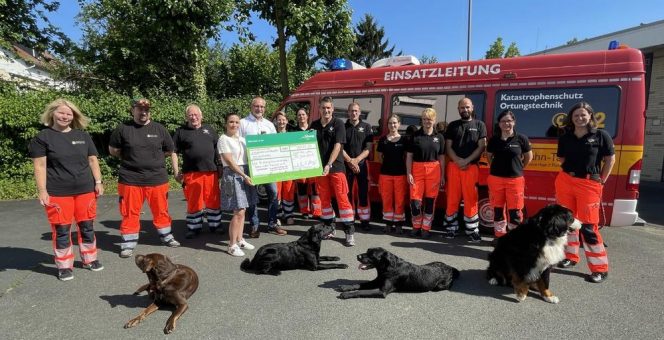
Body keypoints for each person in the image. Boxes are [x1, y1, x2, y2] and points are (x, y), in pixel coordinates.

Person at [29, 99, 104, 281]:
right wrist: (42, 190)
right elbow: (40, 166)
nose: (65, 116)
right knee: (62, 230)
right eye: (62, 113)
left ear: (74, 116)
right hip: (58, 192)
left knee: (86, 226)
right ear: (53, 113)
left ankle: (90, 259)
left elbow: (93, 160)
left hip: (85, 190)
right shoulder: (43, 137)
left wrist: (98, 182)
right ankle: (64, 266)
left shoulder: (83, 136)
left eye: (69, 114)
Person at [109, 98, 180, 258]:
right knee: (129, 212)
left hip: (157, 179)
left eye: (146, 109)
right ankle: (128, 243)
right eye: (140, 109)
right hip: (130, 179)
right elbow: (113, 150)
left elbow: (169, 150)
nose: (143, 112)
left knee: (161, 210)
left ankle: (166, 237)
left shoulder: (159, 129)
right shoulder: (123, 129)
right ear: (132, 110)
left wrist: (153, 158)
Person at [555, 102, 614, 283]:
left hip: (589, 184)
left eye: (583, 115)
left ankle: (599, 269)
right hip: (566, 181)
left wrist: (601, 180)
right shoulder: (566, 136)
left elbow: (609, 159)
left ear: (590, 116)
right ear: (571, 119)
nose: (580, 118)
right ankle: (570, 257)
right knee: (568, 222)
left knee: (588, 227)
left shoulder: (601, 135)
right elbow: (561, 158)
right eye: (576, 116)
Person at [171, 104, 222, 239]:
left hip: (211, 172)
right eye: (191, 115)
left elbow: (218, 149)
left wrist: (221, 167)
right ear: (187, 117)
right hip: (191, 173)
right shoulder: (181, 132)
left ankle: (215, 225)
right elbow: (173, 152)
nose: (194, 117)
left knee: (213, 200)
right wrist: (176, 171)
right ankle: (194, 228)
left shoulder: (209, 129)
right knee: (194, 201)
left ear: (201, 116)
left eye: (196, 115)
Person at [311, 96, 356, 246]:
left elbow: (338, 146)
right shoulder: (314, 125)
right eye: (323, 108)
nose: (326, 110)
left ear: (333, 109)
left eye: (328, 108)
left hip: (335, 168)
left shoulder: (338, 124)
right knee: (324, 200)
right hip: (320, 169)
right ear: (319, 109)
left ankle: (349, 232)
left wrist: (329, 164)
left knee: (343, 200)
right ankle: (329, 228)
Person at [239, 97, 286, 238]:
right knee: (252, 196)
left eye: (262, 107)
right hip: (250, 165)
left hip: (267, 165)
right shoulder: (242, 123)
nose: (259, 109)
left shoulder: (269, 125)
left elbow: (275, 144)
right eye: (256, 106)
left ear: (265, 108)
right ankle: (254, 225)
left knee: (273, 193)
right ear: (251, 107)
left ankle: (272, 224)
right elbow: (238, 144)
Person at [443, 97, 487, 242]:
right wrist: (457, 161)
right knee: (452, 198)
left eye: (467, 107)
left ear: (472, 107)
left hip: (472, 167)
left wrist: (466, 161)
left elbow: (482, 146)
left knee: (471, 199)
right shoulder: (453, 126)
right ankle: (450, 229)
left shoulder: (480, 125)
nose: (465, 110)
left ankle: (472, 231)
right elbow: (448, 147)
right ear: (458, 109)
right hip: (454, 167)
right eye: (462, 107)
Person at [486, 110, 533, 240]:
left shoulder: (521, 138)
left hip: (515, 180)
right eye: (503, 121)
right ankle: (499, 236)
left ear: (514, 122)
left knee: (515, 212)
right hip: (496, 179)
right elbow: (489, 157)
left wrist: (520, 167)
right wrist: (497, 168)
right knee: (498, 210)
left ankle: (515, 239)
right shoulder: (494, 140)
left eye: (509, 121)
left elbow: (529, 156)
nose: (506, 123)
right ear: (499, 124)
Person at [218, 113, 257, 257]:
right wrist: (244, 175)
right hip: (234, 174)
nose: (234, 124)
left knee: (244, 209)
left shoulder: (243, 140)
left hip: (244, 173)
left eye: (236, 122)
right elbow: (229, 161)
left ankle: (240, 240)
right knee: (238, 211)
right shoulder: (223, 139)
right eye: (231, 122)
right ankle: (232, 245)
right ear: (226, 124)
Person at [406, 108, 445, 238]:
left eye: (429, 119)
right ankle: (416, 226)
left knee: (429, 202)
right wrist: (409, 173)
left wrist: (443, 175)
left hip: (434, 170)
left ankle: (426, 228)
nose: (427, 121)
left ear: (434, 120)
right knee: (415, 203)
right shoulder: (415, 136)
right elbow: (409, 156)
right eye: (424, 119)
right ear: (421, 120)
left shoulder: (439, 137)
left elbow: (442, 158)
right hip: (417, 169)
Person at [342, 102, 374, 230]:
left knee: (363, 193)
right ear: (348, 112)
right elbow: (340, 147)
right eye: (351, 111)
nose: (354, 113)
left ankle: (364, 220)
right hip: (347, 165)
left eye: (356, 111)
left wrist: (356, 160)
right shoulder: (343, 127)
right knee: (347, 193)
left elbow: (368, 148)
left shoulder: (366, 127)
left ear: (360, 112)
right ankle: (349, 220)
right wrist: (350, 161)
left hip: (362, 165)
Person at [376, 114, 408, 234]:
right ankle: (388, 223)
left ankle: (399, 224)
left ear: (399, 124)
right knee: (386, 199)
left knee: (400, 200)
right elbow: (380, 157)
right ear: (387, 125)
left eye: (395, 123)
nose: (392, 125)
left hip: (400, 174)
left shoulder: (404, 140)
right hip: (385, 174)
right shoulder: (383, 140)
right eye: (390, 123)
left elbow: (406, 157)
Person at [294, 108, 322, 219]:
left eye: (303, 114)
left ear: (307, 116)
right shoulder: (293, 131)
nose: (301, 117)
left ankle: (316, 212)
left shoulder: (313, 130)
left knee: (315, 189)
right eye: (299, 115)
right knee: (302, 188)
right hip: (300, 164)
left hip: (313, 163)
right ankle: (304, 211)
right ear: (297, 117)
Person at [273, 111, 296, 225]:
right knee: (276, 193)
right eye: (279, 119)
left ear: (287, 121)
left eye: (283, 119)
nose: (281, 122)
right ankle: (277, 215)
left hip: (289, 168)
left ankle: (288, 215)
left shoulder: (292, 135)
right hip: (276, 168)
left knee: (288, 191)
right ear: (276, 121)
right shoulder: (271, 135)